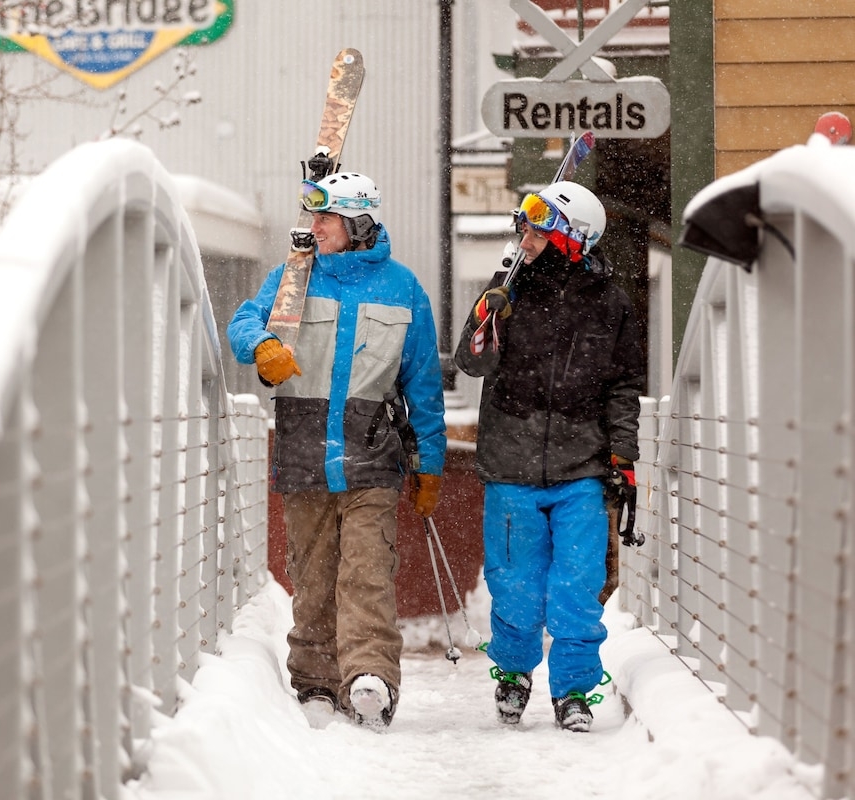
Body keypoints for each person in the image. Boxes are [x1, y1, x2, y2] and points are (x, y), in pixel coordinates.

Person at [228, 171, 446, 730]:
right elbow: (242, 321)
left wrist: (431, 466)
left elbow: (422, 386)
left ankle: (369, 677)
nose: (313, 227)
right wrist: (264, 344)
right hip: (304, 453)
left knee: (368, 573)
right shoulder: (293, 278)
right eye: (313, 217)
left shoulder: (403, 289)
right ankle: (316, 682)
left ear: (358, 224)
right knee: (314, 575)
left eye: (324, 218)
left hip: (373, 455)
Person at [453, 181, 644, 732]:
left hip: (581, 466)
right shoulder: (505, 288)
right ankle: (513, 674)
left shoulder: (610, 302)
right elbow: (472, 363)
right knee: (514, 584)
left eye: (539, 227)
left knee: (577, 586)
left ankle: (575, 691)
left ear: (572, 237)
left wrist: (622, 454)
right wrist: (488, 319)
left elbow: (623, 384)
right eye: (524, 225)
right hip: (510, 464)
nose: (526, 236)